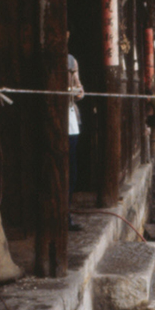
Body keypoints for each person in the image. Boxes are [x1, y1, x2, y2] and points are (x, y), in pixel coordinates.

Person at [66, 53, 85, 231]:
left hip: (72, 125)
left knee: (72, 174)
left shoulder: (71, 59)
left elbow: (80, 91)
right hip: (61, 125)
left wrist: (76, 89)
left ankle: (67, 215)